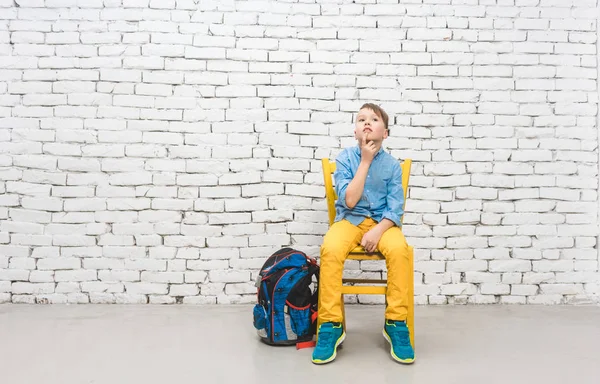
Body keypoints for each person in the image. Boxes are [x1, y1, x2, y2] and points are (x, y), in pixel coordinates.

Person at [312, 103, 414, 365]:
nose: (367, 123)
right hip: (350, 220)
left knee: (400, 250)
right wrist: (366, 161)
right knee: (331, 248)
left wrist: (378, 232)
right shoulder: (346, 159)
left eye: (374, 119)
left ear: (386, 133)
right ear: (356, 132)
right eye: (361, 120)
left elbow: (395, 209)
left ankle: (396, 321)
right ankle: (331, 325)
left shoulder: (392, 166)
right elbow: (349, 201)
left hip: (383, 223)